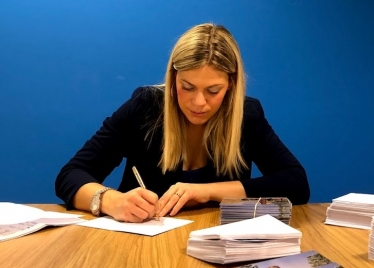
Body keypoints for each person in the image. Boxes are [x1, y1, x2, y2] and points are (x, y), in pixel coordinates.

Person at [55, 23, 310, 223]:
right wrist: (111, 201)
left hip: (218, 248)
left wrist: (207, 191)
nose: (199, 102)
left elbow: (296, 184)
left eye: (213, 90)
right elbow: (70, 175)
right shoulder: (145, 106)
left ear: (231, 85)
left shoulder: (247, 114)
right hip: (137, 248)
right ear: (173, 77)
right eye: (187, 87)